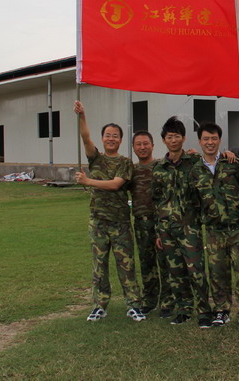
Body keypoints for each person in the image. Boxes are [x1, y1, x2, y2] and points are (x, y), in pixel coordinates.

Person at [73, 100, 145, 323]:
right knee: (99, 265)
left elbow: (115, 184)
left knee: (126, 265)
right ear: (103, 138)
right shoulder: (96, 158)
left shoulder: (125, 162)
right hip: (98, 222)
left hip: (120, 223)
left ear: (120, 140)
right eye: (107, 135)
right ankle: (100, 305)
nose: (111, 138)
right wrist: (82, 115)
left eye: (115, 136)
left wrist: (88, 181)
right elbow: (85, 137)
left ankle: (133, 305)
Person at [190, 122, 239, 328]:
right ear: (200, 142)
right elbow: (195, 201)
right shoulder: (195, 170)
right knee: (218, 272)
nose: (210, 142)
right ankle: (221, 310)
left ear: (219, 140)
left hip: (237, 228)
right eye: (206, 139)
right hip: (213, 230)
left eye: (214, 138)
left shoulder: (232, 163)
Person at [151, 116, 213, 328]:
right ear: (164, 140)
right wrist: (158, 232)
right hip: (167, 229)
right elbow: (156, 201)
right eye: (169, 137)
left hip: (189, 227)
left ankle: (204, 311)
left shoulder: (194, 162)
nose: (173, 140)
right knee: (175, 272)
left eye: (177, 136)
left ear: (184, 138)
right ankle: (184, 310)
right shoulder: (158, 168)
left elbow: (211, 169)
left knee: (196, 270)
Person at [129, 130, 174, 317]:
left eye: (145, 143)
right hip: (141, 223)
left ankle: (167, 302)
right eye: (138, 144)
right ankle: (149, 300)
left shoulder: (162, 166)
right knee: (146, 263)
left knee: (165, 262)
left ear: (153, 145)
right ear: (133, 148)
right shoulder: (131, 170)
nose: (142, 147)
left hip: (161, 221)